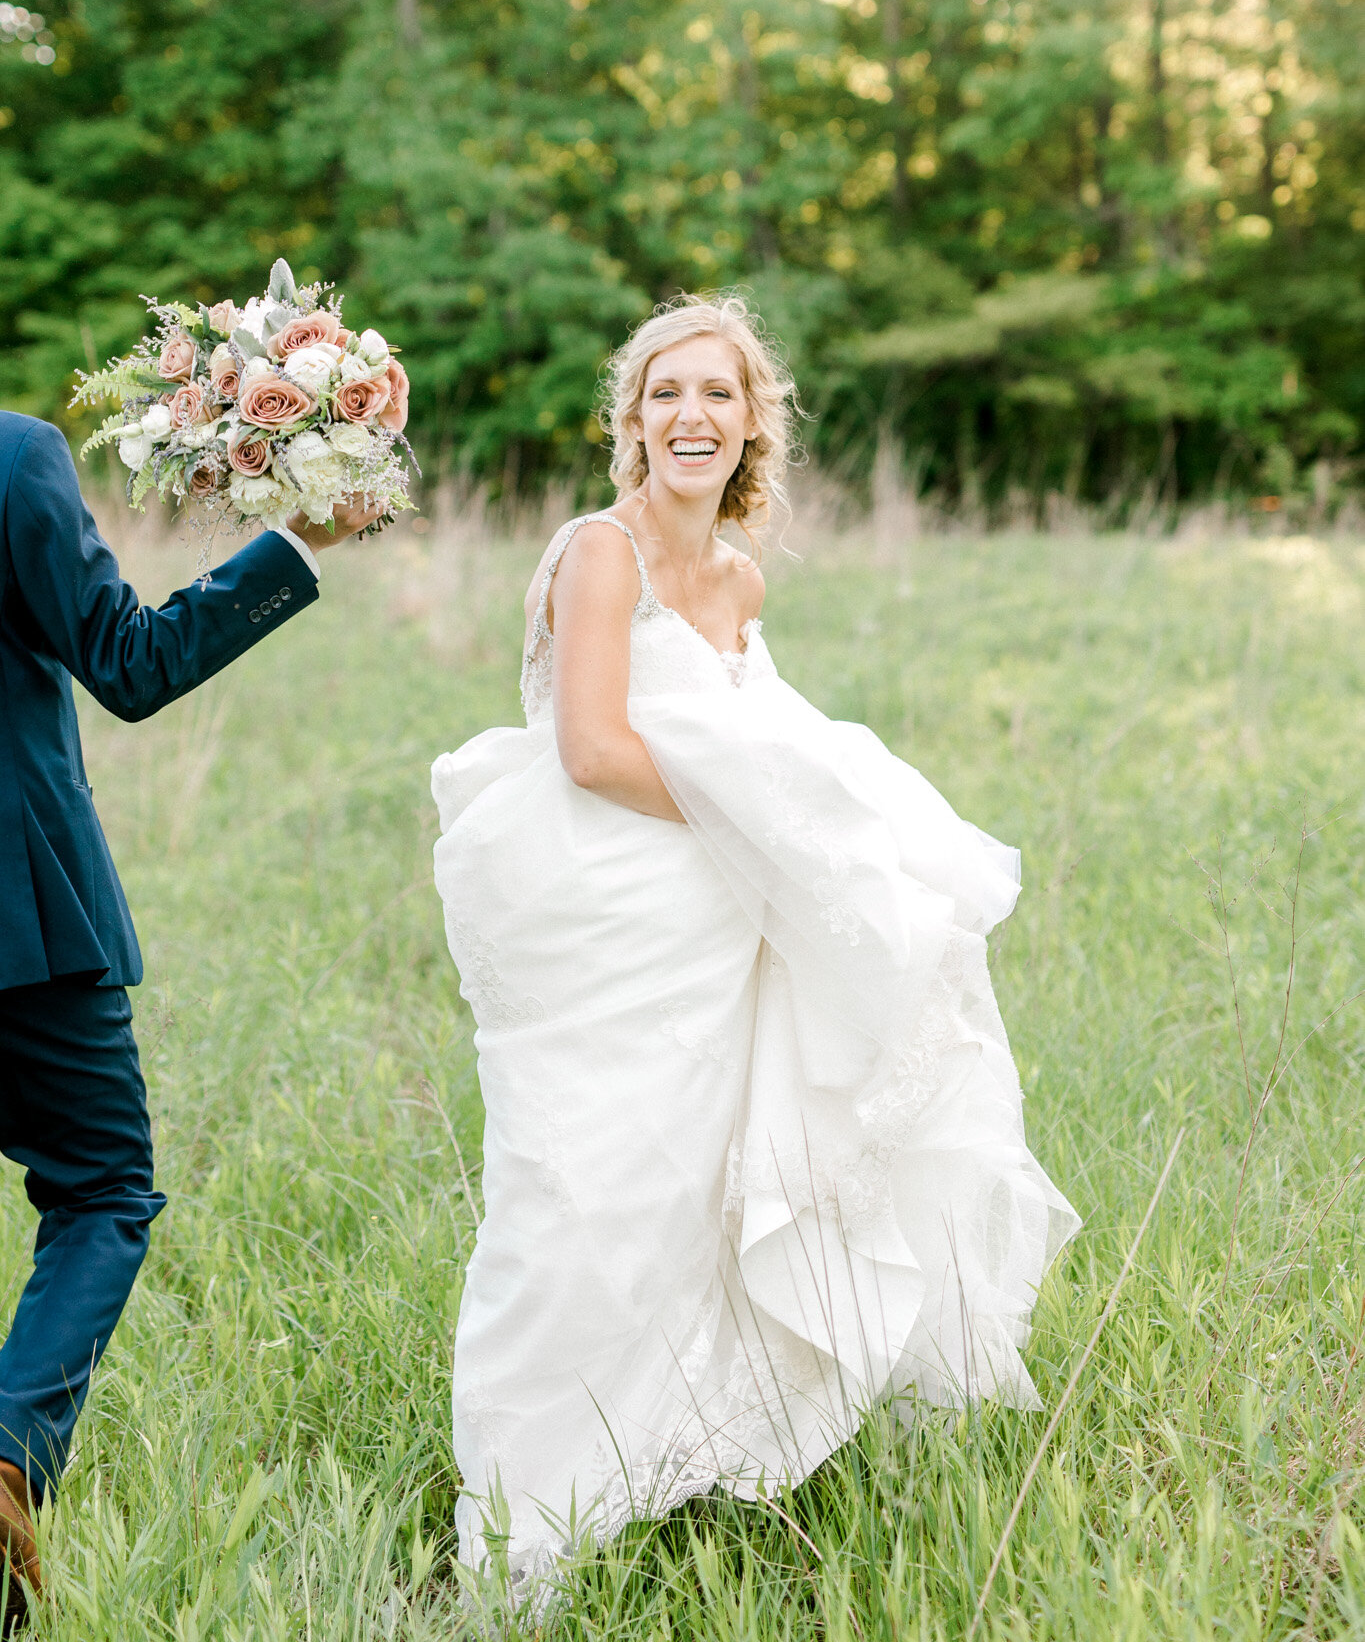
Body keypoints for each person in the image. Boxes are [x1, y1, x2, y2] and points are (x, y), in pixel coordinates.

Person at [430, 294, 1080, 1603]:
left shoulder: (738, 578)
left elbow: (765, 739)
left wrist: (834, 838)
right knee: (586, 1205)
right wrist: (779, 835)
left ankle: (691, 1454)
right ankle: (523, 1535)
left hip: (728, 922)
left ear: (751, 425)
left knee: (714, 1198)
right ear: (632, 422)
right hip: (613, 925)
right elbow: (594, 749)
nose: (690, 416)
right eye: (665, 394)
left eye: (716, 395)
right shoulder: (598, 555)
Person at [0, 409, 377, 1632]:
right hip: (23, 914)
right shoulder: (14, 456)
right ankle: (4, 1456)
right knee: (105, 1185)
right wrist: (299, 539)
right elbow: (131, 663)